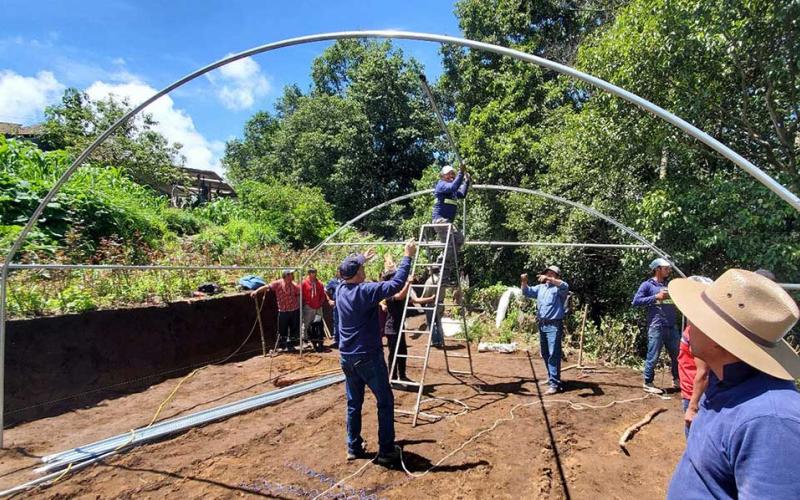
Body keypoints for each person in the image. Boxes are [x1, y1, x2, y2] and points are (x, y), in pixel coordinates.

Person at [666, 269, 800, 499]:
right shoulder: (723, 382)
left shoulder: (771, 421)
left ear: (718, 340)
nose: (689, 328)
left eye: (697, 319)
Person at [336, 242, 415, 464]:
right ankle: (387, 450)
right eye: (362, 268)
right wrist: (407, 256)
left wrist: (361, 258)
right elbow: (396, 284)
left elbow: (347, 275)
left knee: (354, 403)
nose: (365, 270)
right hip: (368, 356)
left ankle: (353, 446)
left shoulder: (341, 289)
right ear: (357, 274)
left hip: (347, 357)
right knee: (385, 401)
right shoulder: (365, 291)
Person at [632, 257, 679, 394]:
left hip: (671, 326)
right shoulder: (647, 285)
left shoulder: (669, 285)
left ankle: (677, 379)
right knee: (653, 355)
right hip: (656, 326)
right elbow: (636, 301)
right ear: (657, 269)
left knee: (677, 355)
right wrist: (656, 297)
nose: (669, 271)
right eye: (666, 268)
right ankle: (648, 382)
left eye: (669, 268)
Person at [521, 265, 569, 395]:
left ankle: (555, 384)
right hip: (542, 325)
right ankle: (551, 378)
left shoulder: (559, 290)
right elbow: (526, 292)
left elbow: (565, 285)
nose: (549, 276)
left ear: (557, 277)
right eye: (547, 274)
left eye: (552, 274)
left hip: (554, 325)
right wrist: (524, 282)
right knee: (546, 352)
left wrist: (548, 279)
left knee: (554, 354)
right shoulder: (540, 288)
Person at [677, 276, 712, 438]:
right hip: (690, 391)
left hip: (696, 394)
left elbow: (703, 372)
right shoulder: (694, 325)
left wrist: (693, 406)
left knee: (694, 440)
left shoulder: (701, 330)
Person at [432, 163, 470, 281]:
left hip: (448, 223)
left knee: (459, 240)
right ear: (443, 176)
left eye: (453, 174)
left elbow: (462, 194)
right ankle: (442, 269)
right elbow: (453, 187)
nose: (451, 176)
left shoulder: (452, 191)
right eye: (449, 174)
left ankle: (442, 261)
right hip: (440, 221)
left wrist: (467, 181)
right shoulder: (441, 185)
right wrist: (461, 173)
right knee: (449, 245)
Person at [251, 269, 300, 351]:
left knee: (294, 328)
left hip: (294, 309)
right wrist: (256, 291)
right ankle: (282, 345)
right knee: (282, 328)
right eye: (291, 274)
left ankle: (292, 344)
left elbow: (298, 294)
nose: (293, 276)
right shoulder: (278, 283)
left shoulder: (294, 285)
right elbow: (267, 287)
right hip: (283, 311)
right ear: (287, 276)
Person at [381, 269, 413, 382]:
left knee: (403, 352)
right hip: (392, 329)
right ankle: (392, 376)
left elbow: (414, 299)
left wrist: (431, 298)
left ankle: (402, 375)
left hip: (400, 328)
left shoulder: (400, 291)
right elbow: (399, 296)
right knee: (394, 353)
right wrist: (408, 283)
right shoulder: (389, 293)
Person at [412, 267, 444, 347]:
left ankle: (435, 341)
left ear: (431, 271)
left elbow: (426, 294)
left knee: (431, 323)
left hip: (431, 303)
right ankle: (441, 340)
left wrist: (420, 300)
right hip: (441, 303)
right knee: (439, 323)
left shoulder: (430, 280)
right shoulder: (441, 279)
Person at [301, 268, 326, 341]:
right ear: (309, 274)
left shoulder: (319, 283)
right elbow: (301, 294)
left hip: (318, 307)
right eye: (312, 273)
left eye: (315, 273)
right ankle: (305, 338)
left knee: (318, 322)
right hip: (308, 307)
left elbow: (322, 295)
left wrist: (320, 303)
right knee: (307, 323)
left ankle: (317, 337)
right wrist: (306, 303)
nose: (314, 274)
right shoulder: (304, 283)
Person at [325, 271, 343, 348]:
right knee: (337, 322)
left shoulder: (347, 281)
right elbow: (325, 290)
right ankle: (337, 341)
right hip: (337, 304)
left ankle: (344, 341)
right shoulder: (333, 282)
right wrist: (329, 300)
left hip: (346, 305)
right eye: (339, 272)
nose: (340, 273)